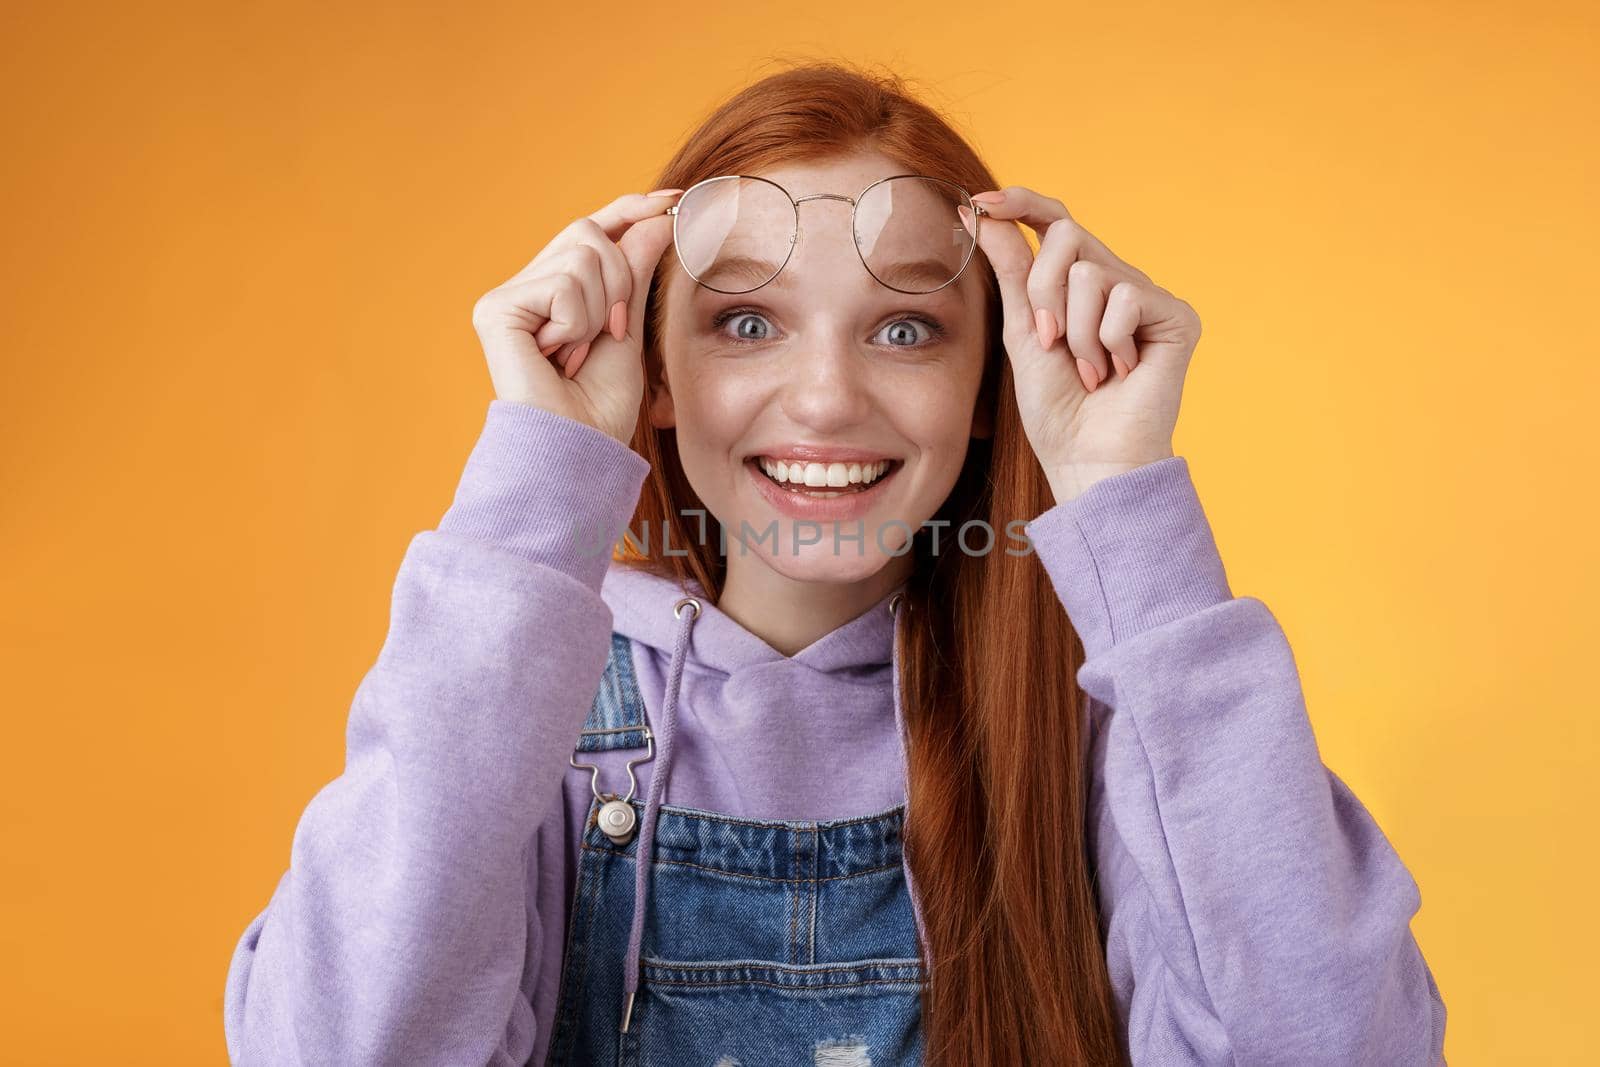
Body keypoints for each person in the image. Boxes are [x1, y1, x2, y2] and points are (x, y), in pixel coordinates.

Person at [223, 62, 1448, 1066]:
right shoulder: (531, 724)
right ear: (652, 370)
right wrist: (535, 483)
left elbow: (1341, 1045)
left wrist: (1129, 501)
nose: (823, 395)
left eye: (906, 325)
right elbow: (334, 1045)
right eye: (743, 320)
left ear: (992, 384)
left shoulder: (1101, 735)